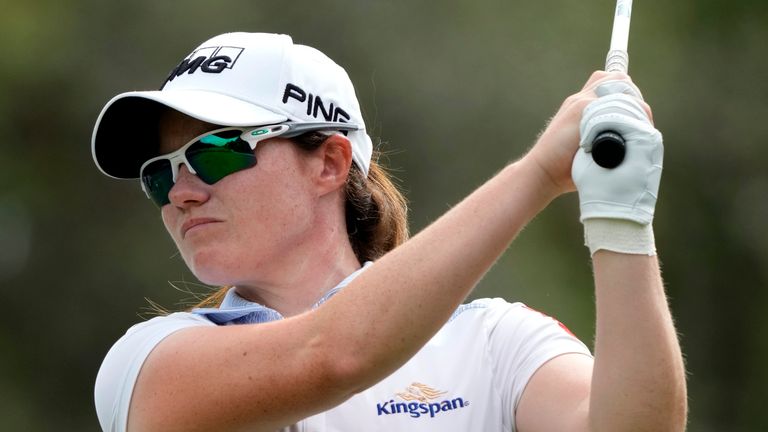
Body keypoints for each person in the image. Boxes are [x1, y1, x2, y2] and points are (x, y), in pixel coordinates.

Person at [91, 32, 687, 432]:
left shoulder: (494, 341)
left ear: (329, 162)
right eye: (157, 175)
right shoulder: (145, 362)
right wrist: (535, 175)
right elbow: (334, 353)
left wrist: (620, 219)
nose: (181, 192)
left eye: (216, 153)